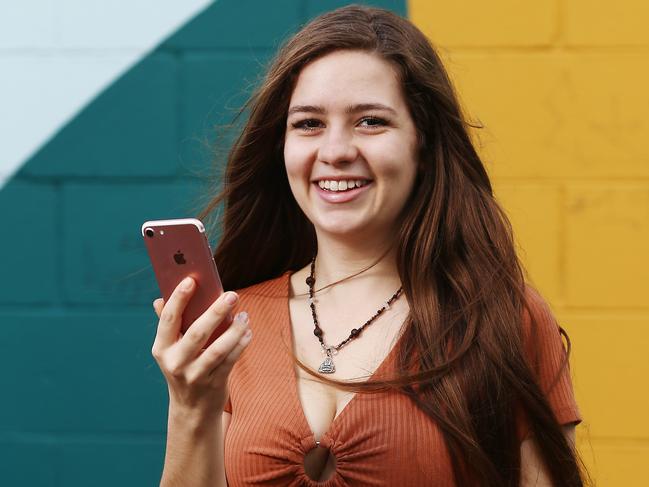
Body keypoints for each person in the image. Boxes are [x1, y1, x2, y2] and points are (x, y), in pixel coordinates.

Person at [151, 5, 586, 486]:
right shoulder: (233, 326)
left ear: (423, 145)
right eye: (309, 124)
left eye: (371, 122)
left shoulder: (503, 318)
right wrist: (191, 407)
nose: (335, 151)